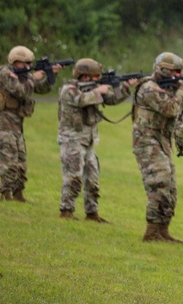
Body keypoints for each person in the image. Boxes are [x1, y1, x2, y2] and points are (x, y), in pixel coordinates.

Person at [57, 58, 138, 222]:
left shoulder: (93, 89)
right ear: (85, 77)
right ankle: (66, 210)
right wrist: (98, 91)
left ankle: (92, 213)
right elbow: (81, 101)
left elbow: (113, 99)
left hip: (89, 140)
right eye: (95, 77)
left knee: (92, 179)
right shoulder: (69, 90)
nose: (97, 80)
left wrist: (125, 87)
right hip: (71, 139)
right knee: (73, 176)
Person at [0, 45, 61, 202]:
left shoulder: (24, 76)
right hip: (1, 123)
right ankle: (5, 194)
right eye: (24, 64)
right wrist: (34, 77)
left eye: (29, 64)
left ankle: (18, 193)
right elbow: (21, 91)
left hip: (15, 124)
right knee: (8, 160)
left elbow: (40, 89)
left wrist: (50, 76)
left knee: (21, 160)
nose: (28, 67)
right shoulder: (5, 74)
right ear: (15, 61)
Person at [132, 52, 183, 243]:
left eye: (179, 72)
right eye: (174, 72)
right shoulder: (149, 88)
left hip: (162, 141)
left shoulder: (169, 88)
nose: (177, 76)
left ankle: (163, 230)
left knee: (170, 186)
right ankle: (151, 232)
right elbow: (171, 109)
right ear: (162, 70)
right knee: (159, 181)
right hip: (147, 141)